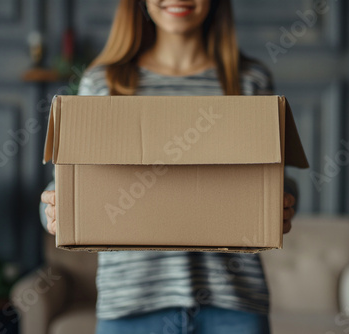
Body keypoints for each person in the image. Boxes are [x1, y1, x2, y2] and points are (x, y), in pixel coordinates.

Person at [40, 1, 298, 333]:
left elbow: (279, 180)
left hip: (234, 303)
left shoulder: (250, 81)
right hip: (131, 305)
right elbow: (62, 186)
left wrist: (285, 202)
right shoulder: (103, 83)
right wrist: (53, 209)